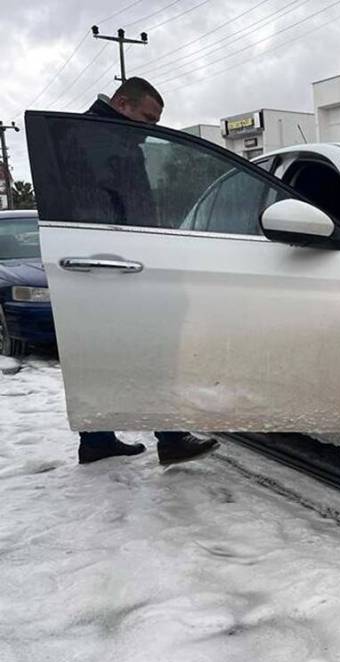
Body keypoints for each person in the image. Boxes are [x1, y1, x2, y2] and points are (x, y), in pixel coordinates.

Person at [77, 77, 219, 467]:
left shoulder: (90, 135)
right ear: (122, 103)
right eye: (147, 118)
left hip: (104, 263)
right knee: (156, 351)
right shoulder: (107, 142)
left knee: (99, 356)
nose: (149, 130)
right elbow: (126, 209)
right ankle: (170, 439)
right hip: (124, 265)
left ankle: (97, 441)